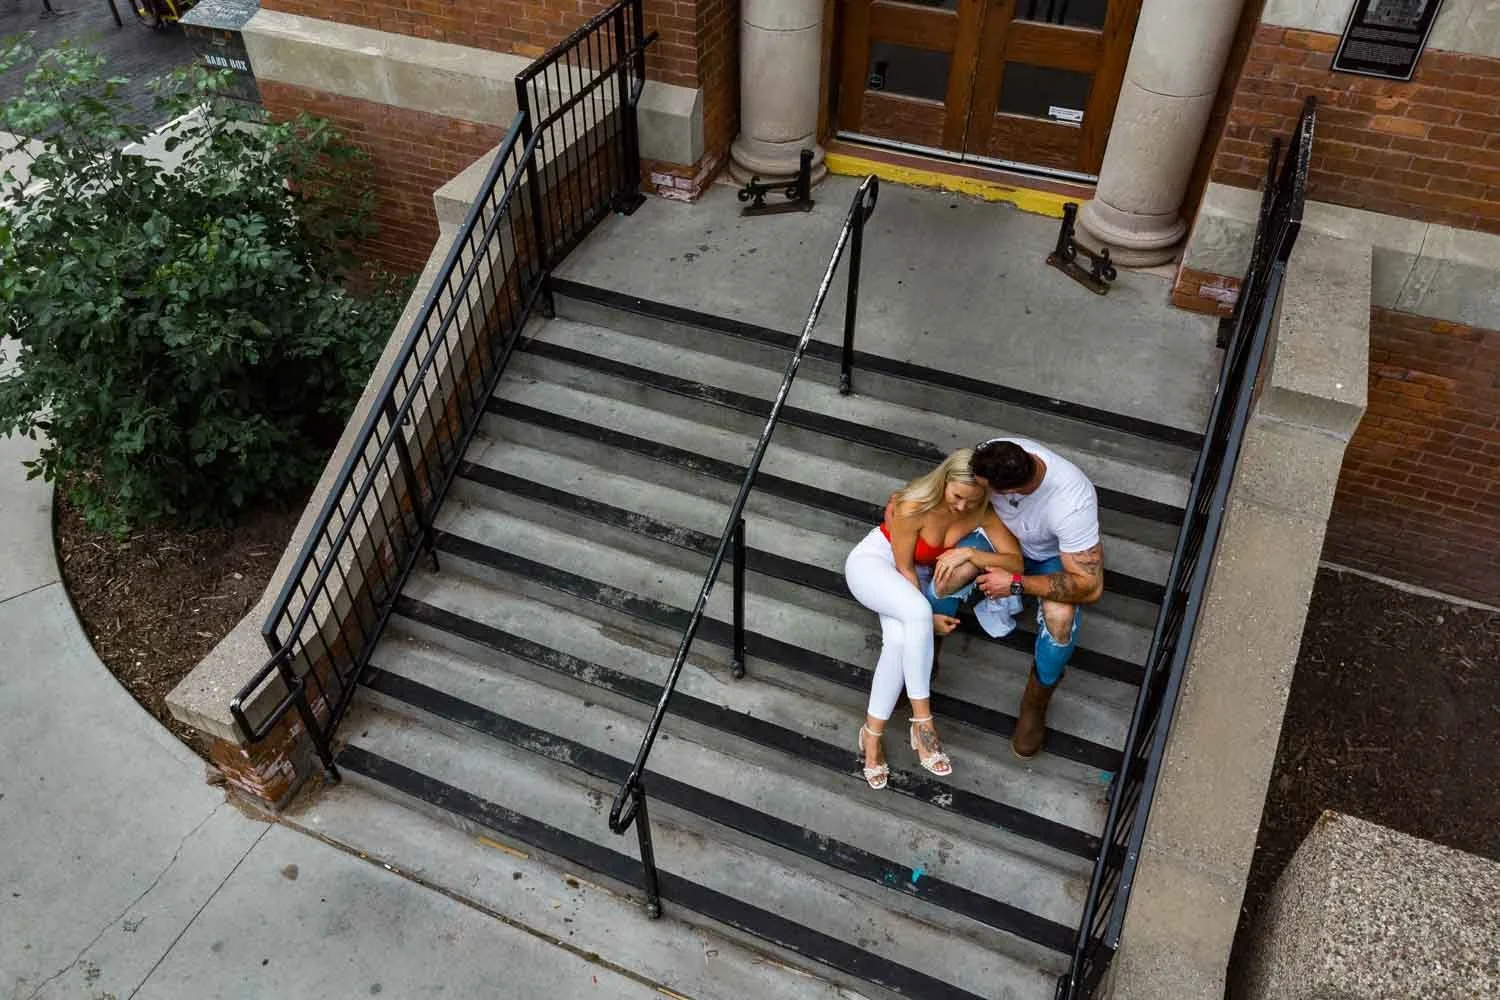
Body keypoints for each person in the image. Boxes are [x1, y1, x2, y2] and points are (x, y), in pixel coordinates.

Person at [844, 449, 1023, 789]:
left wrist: (972, 552)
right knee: (916, 614)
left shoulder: (981, 512)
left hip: (909, 587)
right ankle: (923, 722)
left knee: (898, 641)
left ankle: (871, 735)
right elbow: (905, 569)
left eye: (972, 500)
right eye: (957, 497)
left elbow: (1016, 562)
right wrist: (926, 620)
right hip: (876, 565)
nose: (963, 507)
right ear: (943, 482)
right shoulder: (913, 505)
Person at [929, 438, 1104, 759]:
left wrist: (1016, 584)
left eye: (987, 489)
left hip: (1052, 558)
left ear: (1011, 491)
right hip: (1000, 539)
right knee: (947, 574)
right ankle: (927, 654)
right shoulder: (992, 453)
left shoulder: (1072, 503)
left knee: (1061, 620)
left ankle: (1036, 701)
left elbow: (1090, 587)